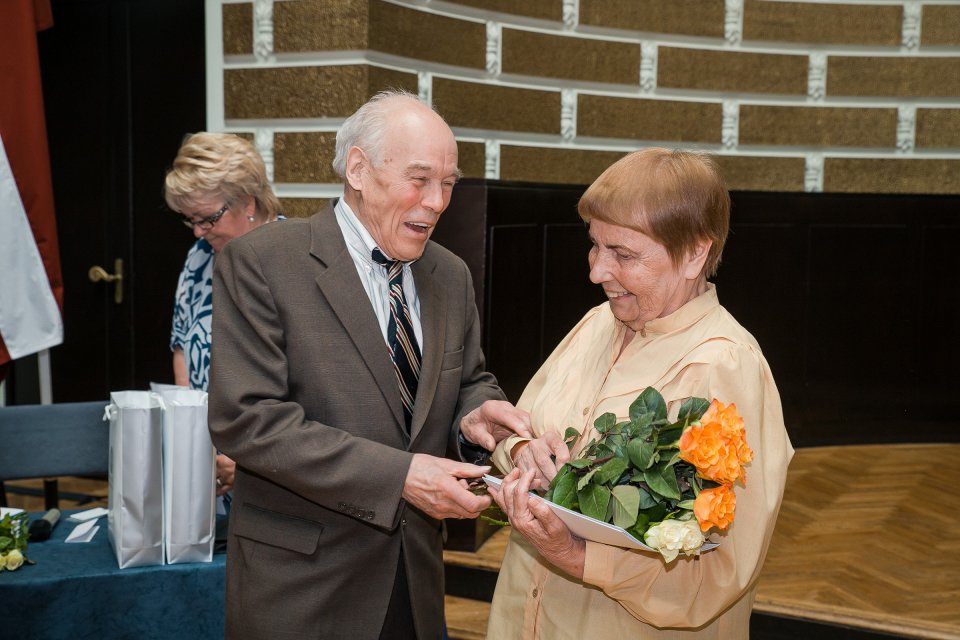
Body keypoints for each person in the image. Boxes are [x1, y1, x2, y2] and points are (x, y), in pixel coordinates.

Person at [207, 90, 533, 640]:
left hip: (417, 580)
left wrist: (476, 417)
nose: (436, 202)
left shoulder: (449, 275)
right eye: (419, 179)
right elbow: (249, 421)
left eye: (448, 184)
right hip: (302, 587)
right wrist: (400, 477)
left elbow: (467, 381)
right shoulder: (262, 263)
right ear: (358, 169)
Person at [485, 148, 795, 639]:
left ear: (695, 252)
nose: (596, 272)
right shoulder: (595, 325)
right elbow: (518, 430)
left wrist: (576, 554)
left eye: (623, 255)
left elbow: (722, 571)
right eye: (595, 246)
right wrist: (523, 452)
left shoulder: (725, 365)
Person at [164, 132, 283, 497]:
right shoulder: (199, 256)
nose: (199, 231)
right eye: (190, 220)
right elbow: (182, 345)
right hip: (207, 453)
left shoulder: (292, 260)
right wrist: (198, 437)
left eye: (208, 218)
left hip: (270, 462)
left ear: (248, 202)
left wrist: (244, 454)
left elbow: (308, 384)